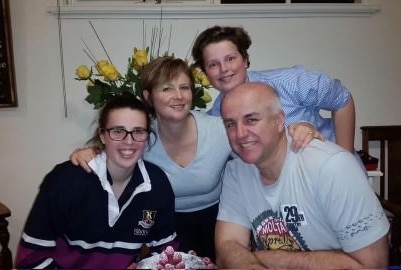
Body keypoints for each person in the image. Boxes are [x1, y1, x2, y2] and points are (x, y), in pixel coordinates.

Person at [68, 57, 322, 261]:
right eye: (166, 88)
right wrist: (91, 154)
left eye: (184, 87)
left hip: (221, 225)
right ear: (148, 97)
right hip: (163, 230)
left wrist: (299, 127)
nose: (178, 96)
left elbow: (264, 147)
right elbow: (112, 155)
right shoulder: (142, 135)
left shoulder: (219, 129)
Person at [215, 81, 389, 269]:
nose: (240, 134)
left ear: (280, 120)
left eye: (251, 120)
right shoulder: (236, 171)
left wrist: (271, 258)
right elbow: (228, 246)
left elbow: (373, 265)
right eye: (230, 124)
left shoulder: (333, 166)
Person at [15, 95, 177, 269]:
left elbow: (166, 253)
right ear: (102, 135)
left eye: (138, 131)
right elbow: (29, 261)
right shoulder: (64, 181)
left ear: (147, 136)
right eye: (118, 131)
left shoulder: (157, 183)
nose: (129, 141)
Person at [191, 25, 355, 153]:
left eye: (230, 58)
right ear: (205, 72)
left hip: (329, 169)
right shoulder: (215, 121)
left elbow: (342, 99)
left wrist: (345, 158)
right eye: (213, 64)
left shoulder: (290, 82)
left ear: (245, 60)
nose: (224, 69)